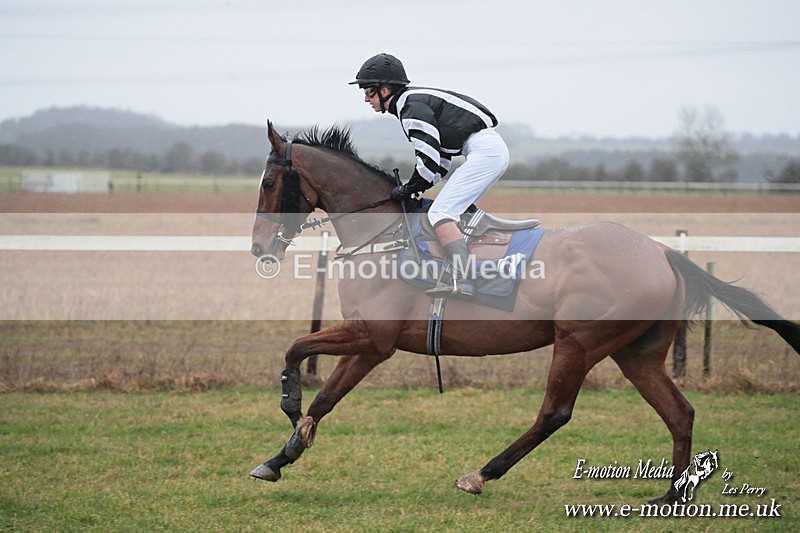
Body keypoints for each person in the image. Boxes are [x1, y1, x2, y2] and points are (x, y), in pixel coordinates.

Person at [349, 53, 510, 299]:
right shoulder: (411, 103)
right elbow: (440, 162)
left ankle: (461, 280)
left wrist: (409, 188)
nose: (366, 99)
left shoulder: (410, 107)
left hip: (485, 152)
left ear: (385, 90)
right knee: (451, 211)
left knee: (440, 213)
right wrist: (416, 187)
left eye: (369, 91)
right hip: (487, 151)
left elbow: (428, 158)